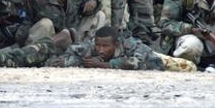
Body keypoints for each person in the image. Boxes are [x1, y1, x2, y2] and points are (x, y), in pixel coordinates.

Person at [45, 26, 196, 72]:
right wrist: (81, 62)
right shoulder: (91, 46)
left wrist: (104, 65)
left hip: (152, 57)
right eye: (98, 45)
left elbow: (141, 63)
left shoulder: (132, 45)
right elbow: (66, 57)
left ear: (116, 45)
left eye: (105, 46)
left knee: (190, 68)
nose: (100, 50)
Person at [159, 0, 215, 69]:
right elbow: (165, 24)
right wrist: (191, 29)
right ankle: (190, 67)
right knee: (191, 46)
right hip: (191, 38)